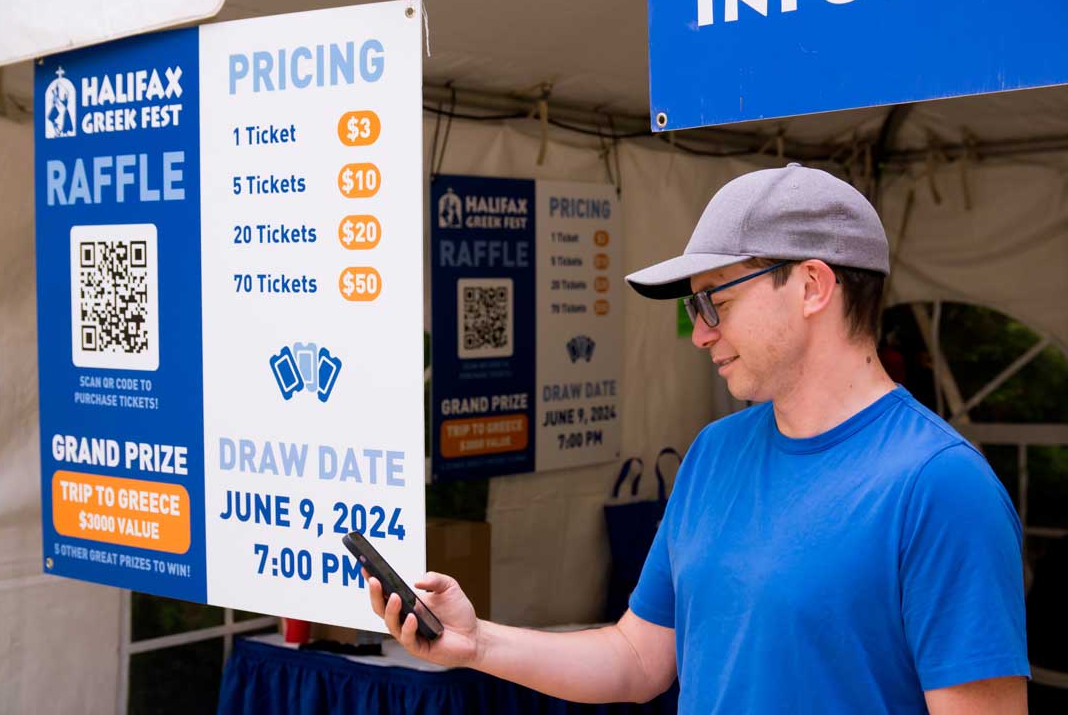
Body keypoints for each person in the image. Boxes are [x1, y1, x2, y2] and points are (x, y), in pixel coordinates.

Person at [368, 164, 1029, 713]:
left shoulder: (941, 485)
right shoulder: (714, 453)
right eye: (693, 306)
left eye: (715, 299)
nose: (701, 331)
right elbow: (636, 658)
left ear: (812, 286)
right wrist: (477, 641)